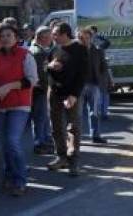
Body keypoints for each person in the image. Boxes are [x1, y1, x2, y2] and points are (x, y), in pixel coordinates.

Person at [0, 24, 38, 196]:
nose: (5, 38)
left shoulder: (25, 55)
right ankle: (8, 178)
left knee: (12, 142)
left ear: (16, 37)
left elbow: (32, 80)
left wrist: (9, 86)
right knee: (4, 144)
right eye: (1, 35)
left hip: (19, 105)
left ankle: (20, 181)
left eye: (8, 35)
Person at [47, 22, 87, 177]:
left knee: (73, 127)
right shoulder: (54, 49)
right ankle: (61, 157)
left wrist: (74, 95)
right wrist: (50, 66)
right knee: (56, 126)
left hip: (72, 93)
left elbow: (83, 74)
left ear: (65, 34)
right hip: (54, 92)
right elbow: (47, 67)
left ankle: (73, 161)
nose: (53, 36)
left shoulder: (79, 49)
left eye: (56, 34)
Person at [77, 27, 108, 144]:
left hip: (94, 85)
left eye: (86, 37)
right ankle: (76, 138)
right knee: (77, 114)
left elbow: (103, 67)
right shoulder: (74, 51)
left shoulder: (98, 51)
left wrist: (101, 81)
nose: (84, 40)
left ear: (91, 38)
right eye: (81, 38)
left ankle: (95, 135)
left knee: (94, 112)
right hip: (78, 87)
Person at [28, 26, 54, 154]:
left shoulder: (35, 50)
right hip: (40, 90)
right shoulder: (39, 53)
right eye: (49, 37)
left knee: (41, 117)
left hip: (38, 89)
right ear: (41, 38)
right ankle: (39, 143)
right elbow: (41, 74)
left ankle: (42, 141)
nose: (51, 39)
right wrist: (48, 87)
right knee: (40, 117)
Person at [89, 26, 112, 119]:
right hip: (93, 74)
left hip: (101, 73)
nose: (92, 35)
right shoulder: (84, 45)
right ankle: (99, 112)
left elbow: (108, 42)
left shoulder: (99, 46)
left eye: (94, 33)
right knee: (97, 94)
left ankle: (104, 112)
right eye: (91, 33)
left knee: (103, 92)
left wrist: (99, 37)